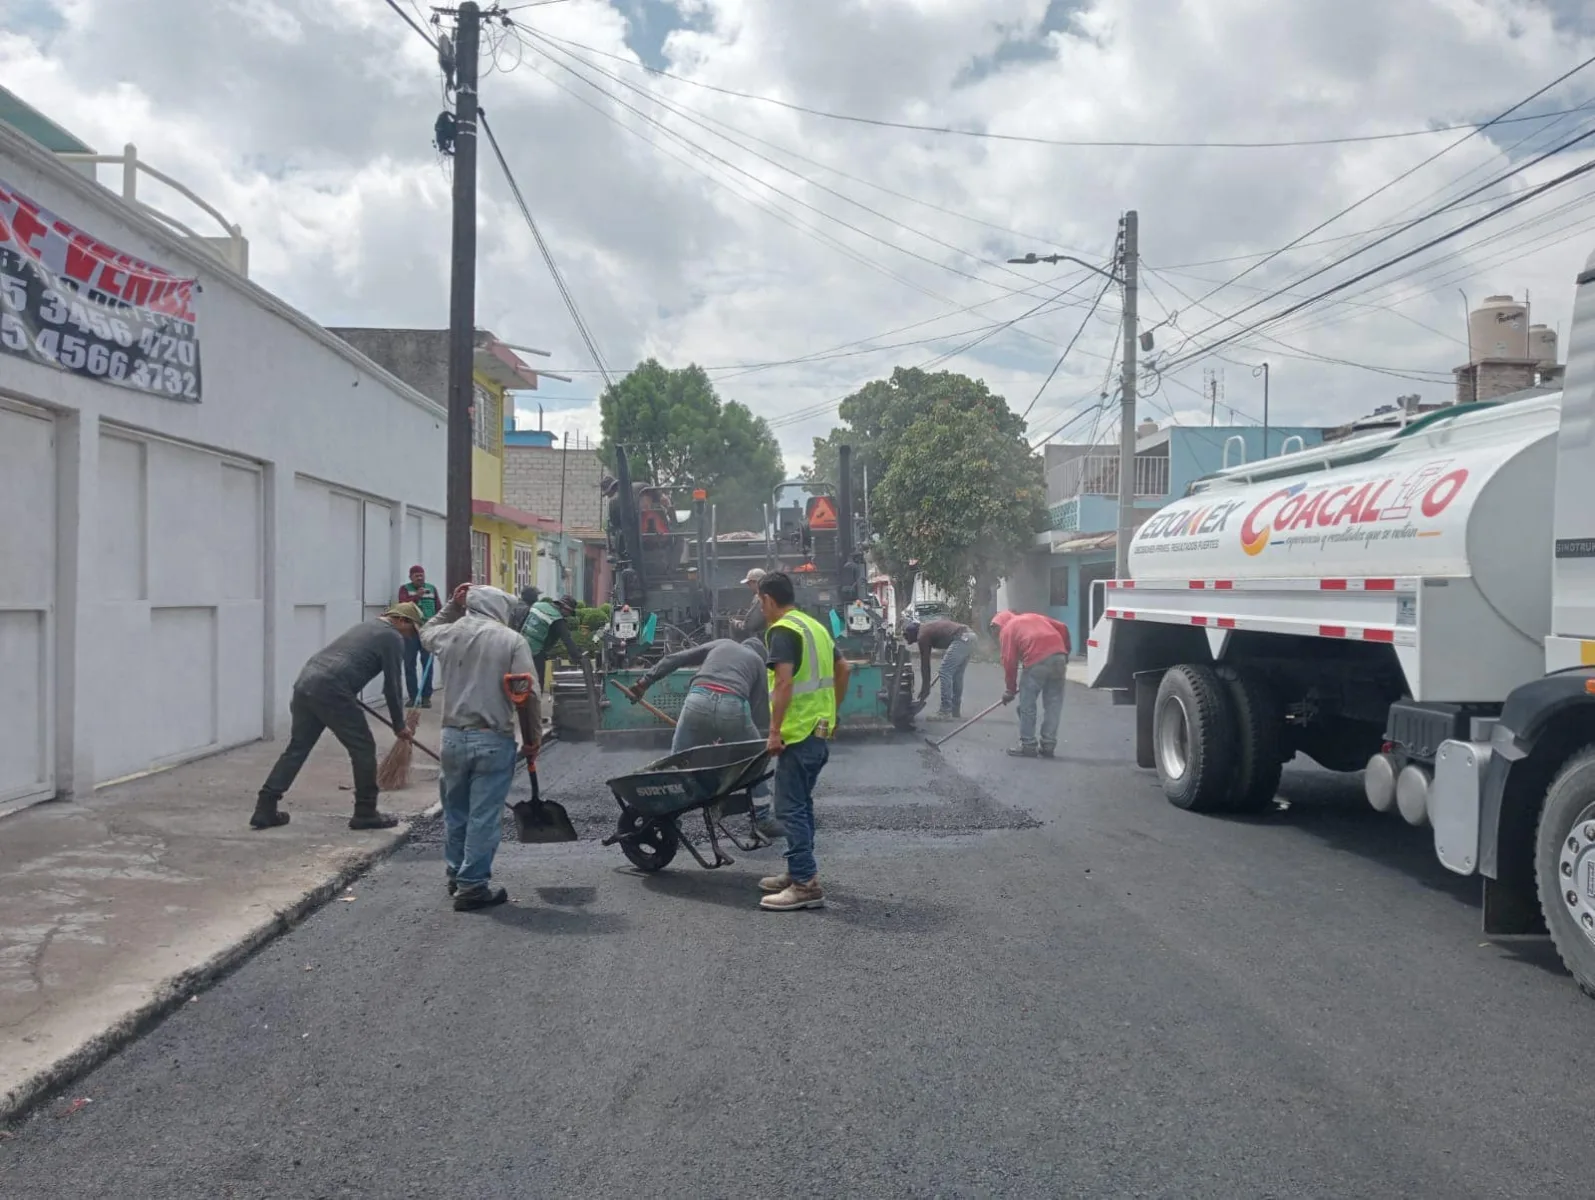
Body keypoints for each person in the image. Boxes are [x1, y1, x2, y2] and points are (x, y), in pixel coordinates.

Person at [421, 584, 540, 912]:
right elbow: (527, 692)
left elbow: (425, 630)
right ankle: (472, 885)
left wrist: (451, 606)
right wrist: (532, 740)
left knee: (456, 810)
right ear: (499, 608)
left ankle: (455, 873)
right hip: (492, 738)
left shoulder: (448, 634)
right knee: (483, 815)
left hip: (451, 738)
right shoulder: (511, 640)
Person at [250, 604, 420, 831]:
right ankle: (366, 812)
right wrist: (399, 725)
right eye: (411, 630)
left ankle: (265, 807)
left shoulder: (367, 626)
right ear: (401, 620)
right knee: (363, 748)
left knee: (297, 747)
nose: (410, 637)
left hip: (307, 681)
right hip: (332, 688)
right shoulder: (392, 637)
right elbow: (393, 686)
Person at [758, 571, 849, 912]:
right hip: (819, 731)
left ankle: (805, 885)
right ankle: (798, 871)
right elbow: (845, 670)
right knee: (802, 804)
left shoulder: (782, 631)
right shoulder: (815, 627)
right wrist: (833, 714)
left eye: (759, 601)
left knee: (789, 808)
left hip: (797, 734)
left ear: (768, 599)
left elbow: (783, 683)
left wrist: (774, 730)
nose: (760, 608)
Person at [625, 637, 780, 838]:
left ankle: (669, 819)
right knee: (756, 760)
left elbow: (676, 658)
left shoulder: (722, 643)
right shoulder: (758, 662)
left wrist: (644, 682)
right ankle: (762, 819)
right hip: (733, 705)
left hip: (697, 700)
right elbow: (757, 710)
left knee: (677, 761)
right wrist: (746, 740)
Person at [990, 610, 1071, 759]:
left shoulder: (1008, 629)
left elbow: (1009, 662)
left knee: (1027, 705)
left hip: (1037, 659)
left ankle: (1028, 745)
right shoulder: (1034, 617)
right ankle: (1048, 745)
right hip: (1059, 656)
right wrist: (1065, 653)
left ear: (1001, 624)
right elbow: (1063, 627)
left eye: (995, 628)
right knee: (1053, 704)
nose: (996, 633)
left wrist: (1010, 690)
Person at [905, 617, 976, 721]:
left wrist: (925, 688)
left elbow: (925, 664)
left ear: (912, 633)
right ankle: (955, 711)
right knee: (957, 675)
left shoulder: (922, 635)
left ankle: (945, 711)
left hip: (961, 638)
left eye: (907, 636)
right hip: (970, 636)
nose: (908, 640)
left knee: (945, 671)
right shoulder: (926, 628)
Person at [517, 593, 588, 684]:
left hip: (520, 646)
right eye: (569, 613)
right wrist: (578, 658)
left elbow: (521, 623)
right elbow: (567, 640)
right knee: (537, 682)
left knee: (520, 679)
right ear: (565, 608)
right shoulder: (557, 619)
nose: (568, 616)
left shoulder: (537, 606)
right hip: (536, 652)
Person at [397, 566, 441, 708]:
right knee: (409, 664)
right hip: (410, 632)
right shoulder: (405, 589)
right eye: (416, 576)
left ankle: (426, 697)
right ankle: (413, 697)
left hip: (427, 631)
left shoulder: (432, 589)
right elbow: (403, 605)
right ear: (410, 577)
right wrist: (417, 596)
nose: (420, 578)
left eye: (422, 575)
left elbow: (439, 608)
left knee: (427, 664)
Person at [733, 567, 767, 637]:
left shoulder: (760, 597)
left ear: (757, 582)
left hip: (763, 640)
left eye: (749, 583)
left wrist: (736, 623)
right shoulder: (774, 593)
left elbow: (750, 625)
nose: (749, 587)